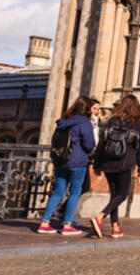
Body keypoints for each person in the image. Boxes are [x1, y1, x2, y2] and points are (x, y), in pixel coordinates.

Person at [89, 94, 140, 239]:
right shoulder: (138, 123)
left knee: (114, 195)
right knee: (123, 194)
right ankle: (100, 217)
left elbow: (102, 143)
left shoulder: (112, 121)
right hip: (125, 162)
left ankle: (115, 227)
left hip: (108, 161)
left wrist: (97, 163)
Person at [37, 96, 97, 235]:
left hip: (61, 161)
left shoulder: (63, 121)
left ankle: (45, 223)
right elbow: (89, 145)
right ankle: (67, 225)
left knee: (58, 192)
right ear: (86, 109)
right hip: (77, 161)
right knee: (74, 193)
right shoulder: (84, 123)